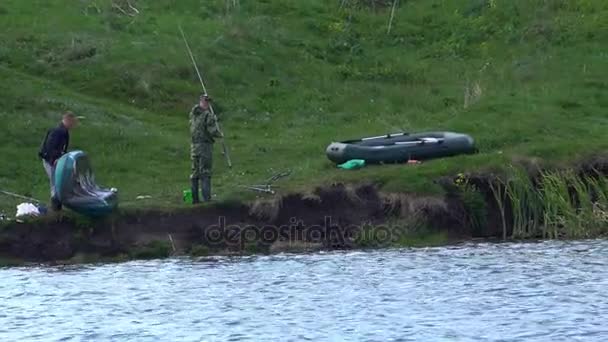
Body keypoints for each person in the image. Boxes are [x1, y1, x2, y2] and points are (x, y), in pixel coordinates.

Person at [39, 111, 79, 210]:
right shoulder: (58, 131)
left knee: (58, 182)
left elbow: (62, 149)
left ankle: (57, 206)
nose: (74, 125)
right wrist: (55, 159)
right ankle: (55, 207)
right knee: (55, 183)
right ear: (68, 121)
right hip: (50, 160)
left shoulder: (64, 132)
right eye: (73, 123)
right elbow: (50, 148)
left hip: (56, 160)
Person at [190, 94, 222, 203]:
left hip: (194, 147)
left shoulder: (193, 114)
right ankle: (207, 199)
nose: (207, 104)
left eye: (208, 102)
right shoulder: (207, 115)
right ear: (202, 101)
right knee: (205, 172)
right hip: (204, 147)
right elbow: (212, 131)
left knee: (195, 172)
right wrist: (220, 133)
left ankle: (195, 199)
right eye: (206, 101)